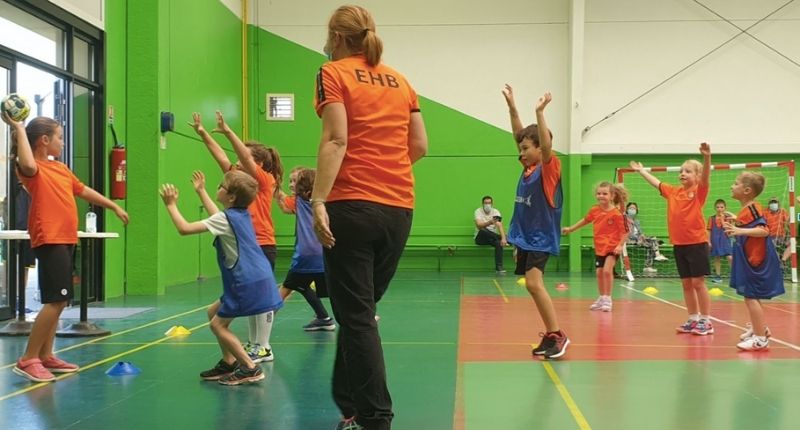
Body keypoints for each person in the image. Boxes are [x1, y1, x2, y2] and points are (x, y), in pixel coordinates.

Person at [312, 5, 428, 429]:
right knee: (359, 310)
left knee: (357, 316)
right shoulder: (400, 80)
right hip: (398, 210)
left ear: (337, 37)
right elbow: (419, 145)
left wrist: (319, 201)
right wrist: (387, 173)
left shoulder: (333, 73)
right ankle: (349, 401)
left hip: (351, 207)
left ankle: (375, 417)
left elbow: (337, 137)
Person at [3, 114, 129, 382]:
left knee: (60, 301)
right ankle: (28, 359)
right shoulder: (30, 168)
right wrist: (19, 128)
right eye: (59, 137)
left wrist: (113, 205)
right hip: (49, 238)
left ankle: (46, 355)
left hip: (66, 238)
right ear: (44, 140)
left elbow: (82, 190)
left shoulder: (59, 168)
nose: (62, 142)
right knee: (55, 300)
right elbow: (26, 160)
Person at [160, 170, 283, 384]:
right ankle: (229, 363)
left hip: (246, 281)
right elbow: (216, 215)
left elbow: (184, 228)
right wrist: (201, 191)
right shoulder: (238, 214)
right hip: (257, 277)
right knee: (212, 312)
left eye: (221, 186)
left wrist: (171, 204)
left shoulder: (227, 218)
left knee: (217, 325)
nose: (218, 188)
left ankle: (249, 367)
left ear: (232, 196)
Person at [190, 111, 282, 363]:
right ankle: (255, 345)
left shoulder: (263, 180)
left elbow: (244, 158)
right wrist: (202, 133)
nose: (237, 163)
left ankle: (263, 346)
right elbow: (220, 156)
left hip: (262, 243)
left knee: (262, 299)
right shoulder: (240, 180)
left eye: (244, 159)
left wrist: (229, 132)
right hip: (246, 245)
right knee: (254, 300)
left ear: (258, 164)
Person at [501, 84, 570, 359]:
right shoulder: (528, 167)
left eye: (527, 148)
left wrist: (539, 112)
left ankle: (558, 335)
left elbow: (546, 144)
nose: (521, 151)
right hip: (526, 235)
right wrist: (512, 107)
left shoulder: (549, 169)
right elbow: (520, 134)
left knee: (533, 283)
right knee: (531, 285)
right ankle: (551, 333)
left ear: (540, 149)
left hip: (541, 236)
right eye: (521, 148)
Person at [630, 143, 714, 335]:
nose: (683, 174)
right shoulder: (673, 192)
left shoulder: (698, 192)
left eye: (688, 171)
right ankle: (693, 318)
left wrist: (707, 157)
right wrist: (642, 171)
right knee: (686, 284)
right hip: (679, 244)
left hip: (696, 243)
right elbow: (657, 183)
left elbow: (706, 177)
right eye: (682, 171)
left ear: (697, 176)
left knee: (698, 283)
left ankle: (706, 321)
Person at [723, 172, 784, 350]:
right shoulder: (747, 209)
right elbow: (750, 223)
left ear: (747, 190)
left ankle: (760, 339)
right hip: (749, 257)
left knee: (751, 296)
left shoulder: (753, 208)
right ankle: (759, 329)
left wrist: (738, 230)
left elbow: (764, 231)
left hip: (757, 259)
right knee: (749, 296)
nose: (731, 186)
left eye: (735, 184)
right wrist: (737, 220)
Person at [276, 167, 335, 331]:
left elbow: (280, 198)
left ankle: (262, 325)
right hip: (325, 254)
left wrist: (272, 182)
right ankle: (324, 317)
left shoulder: (299, 201)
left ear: (305, 185)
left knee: (284, 291)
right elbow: (285, 207)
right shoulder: (323, 202)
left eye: (294, 181)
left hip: (305, 256)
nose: (291, 185)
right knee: (307, 287)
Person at [562, 182, 629, 312]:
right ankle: (602, 297)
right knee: (599, 273)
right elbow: (585, 220)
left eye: (604, 194)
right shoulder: (595, 210)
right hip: (600, 247)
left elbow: (626, 231)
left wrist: (620, 245)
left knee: (606, 271)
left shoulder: (617, 213)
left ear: (612, 196)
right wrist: (571, 229)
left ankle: (608, 300)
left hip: (612, 247)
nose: (601, 196)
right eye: (599, 193)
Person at [624, 202, 669, 273]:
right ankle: (656, 255)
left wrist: (642, 236)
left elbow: (641, 232)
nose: (632, 210)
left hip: (639, 239)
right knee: (652, 243)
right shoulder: (624, 219)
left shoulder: (636, 221)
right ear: (626, 209)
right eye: (631, 208)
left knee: (652, 241)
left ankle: (649, 265)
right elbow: (627, 233)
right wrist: (639, 237)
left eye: (634, 208)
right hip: (630, 240)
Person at [473, 195, 507, 274]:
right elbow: (478, 225)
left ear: (492, 204)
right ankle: (501, 237)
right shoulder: (478, 211)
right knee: (483, 230)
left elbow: (499, 225)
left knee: (499, 243)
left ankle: (499, 268)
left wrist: (503, 239)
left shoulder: (496, 212)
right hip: (480, 238)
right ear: (482, 204)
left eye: (489, 203)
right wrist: (490, 222)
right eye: (486, 203)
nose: (487, 205)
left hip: (492, 238)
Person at [707, 199, 733, 283]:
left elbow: (728, 229)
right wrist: (709, 241)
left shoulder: (728, 218)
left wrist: (722, 219)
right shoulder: (711, 218)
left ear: (725, 208)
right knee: (717, 257)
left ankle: (734, 275)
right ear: (715, 208)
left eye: (722, 207)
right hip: (715, 240)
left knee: (729, 257)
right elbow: (709, 230)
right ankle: (718, 276)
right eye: (717, 207)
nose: (719, 209)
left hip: (725, 239)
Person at [764, 197, 791, 263]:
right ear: (769, 204)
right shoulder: (765, 212)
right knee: (772, 250)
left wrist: (790, 219)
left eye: (775, 202)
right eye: (772, 202)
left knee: (793, 243)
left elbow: (788, 222)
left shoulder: (782, 211)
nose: (773, 204)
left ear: (778, 204)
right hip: (770, 237)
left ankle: (783, 260)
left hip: (781, 237)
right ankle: (778, 263)